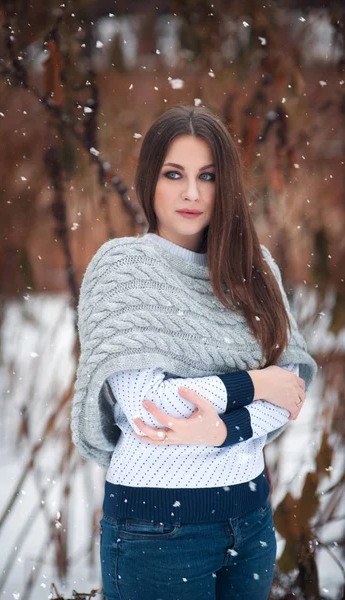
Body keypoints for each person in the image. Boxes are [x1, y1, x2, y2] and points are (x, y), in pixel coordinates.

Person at [70, 105, 318, 600]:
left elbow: (289, 388)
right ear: (150, 180)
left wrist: (228, 428)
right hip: (158, 529)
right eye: (174, 174)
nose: (191, 193)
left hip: (250, 521)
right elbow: (150, 408)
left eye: (207, 176)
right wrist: (254, 383)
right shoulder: (123, 268)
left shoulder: (254, 266)